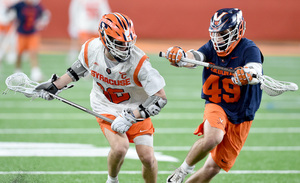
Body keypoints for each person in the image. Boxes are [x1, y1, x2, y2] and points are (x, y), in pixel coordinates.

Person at [35, 12, 167, 183]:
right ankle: (112, 180)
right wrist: (55, 86)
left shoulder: (140, 62)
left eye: (128, 43)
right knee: (120, 148)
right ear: (105, 40)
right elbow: (77, 70)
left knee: (148, 158)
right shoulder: (91, 48)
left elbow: (160, 98)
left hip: (136, 108)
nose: (126, 49)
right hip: (106, 106)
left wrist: (132, 116)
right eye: (120, 44)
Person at [164, 8, 263, 183]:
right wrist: (180, 56)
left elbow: (255, 68)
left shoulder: (248, 48)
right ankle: (182, 170)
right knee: (213, 138)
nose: (218, 38)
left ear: (238, 30)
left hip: (241, 113)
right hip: (216, 103)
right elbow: (194, 57)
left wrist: (248, 74)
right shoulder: (211, 46)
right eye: (215, 33)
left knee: (212, 168)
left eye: (223, 33)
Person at [7, 0, 50, 82]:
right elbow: (9, 10)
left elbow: (45, 14)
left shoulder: (37, 6)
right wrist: (11, 17)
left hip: (32, 33)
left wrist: (41, 23)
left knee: (33, 52)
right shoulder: (20, 5)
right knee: (19, 53)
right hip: (21, 33)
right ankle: (17, 71)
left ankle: (35, 72)